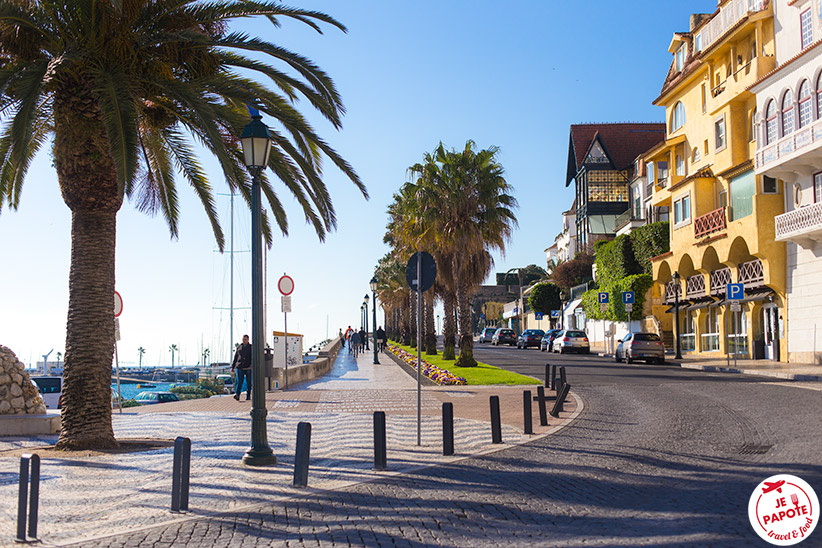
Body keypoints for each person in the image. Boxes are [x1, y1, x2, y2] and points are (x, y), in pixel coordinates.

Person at [231, 334, 252, 401]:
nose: (244, 341)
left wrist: (251, 365)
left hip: (248, 367)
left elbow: (253, 357)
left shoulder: (251, 347)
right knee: (239, 381)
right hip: (240, 366)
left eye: (245, 340)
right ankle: (237, 395)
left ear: (248, 340)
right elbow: (236, 357)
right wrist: (233, 366)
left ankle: (248, 396)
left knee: (249, 382)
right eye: (243, 339)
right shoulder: (239, 347)